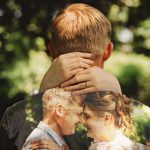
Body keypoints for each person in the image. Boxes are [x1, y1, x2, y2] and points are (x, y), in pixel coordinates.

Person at [0, 3, 121, 150]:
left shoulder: (14, 117)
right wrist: (119, 100)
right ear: (108, 51)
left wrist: (39, 98)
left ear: (51, 51)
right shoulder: (140, 117)